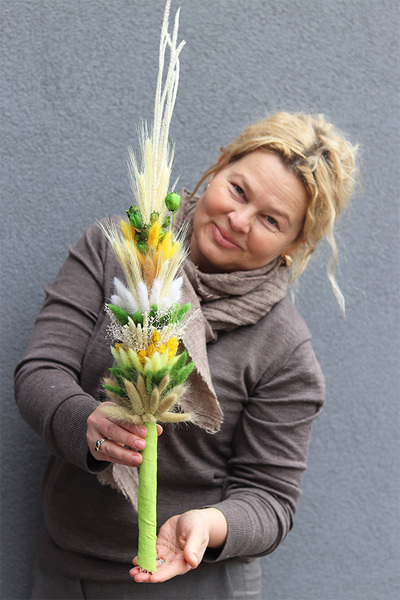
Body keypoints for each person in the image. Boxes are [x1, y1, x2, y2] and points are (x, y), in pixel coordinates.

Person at [15, 111, 357, 599]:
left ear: (295, 243)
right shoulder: (117, 250)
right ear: (218, 166)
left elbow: (272, 500)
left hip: (194, 583)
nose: (238, 221)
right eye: (238, 190)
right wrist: (84, 422)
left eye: (270, 220)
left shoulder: (283, 348)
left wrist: (212, 524)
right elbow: (40, 372)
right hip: (65, 569)